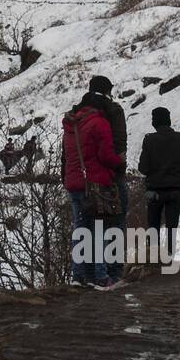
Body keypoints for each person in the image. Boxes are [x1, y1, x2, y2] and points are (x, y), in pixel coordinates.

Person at [62, 92, 125, 288]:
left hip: (74, 183)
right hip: (95, 184)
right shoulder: (99, 122)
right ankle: (100, 275)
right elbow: (106, 154)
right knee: (100, 230)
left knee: (80, 229)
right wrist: (119, 162)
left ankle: (78, 275)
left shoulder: (69, 126)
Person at [138, 107, 180, 260]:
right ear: (168, 120)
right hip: (176, 190)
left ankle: (154, 259)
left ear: (154, 122)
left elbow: (143, 168)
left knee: (153, 226)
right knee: (172, 226)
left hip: (154, 191)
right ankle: (169, 258)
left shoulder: (149, 140)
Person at [87, 75, 129, 281]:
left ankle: (91, 273)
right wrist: (119, 165)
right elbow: (120, 141)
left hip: (86, 176)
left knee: (91, 225)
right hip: (111, 173)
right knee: (117, 220)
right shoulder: (113, 110)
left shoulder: (78, 111)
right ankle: (114, 270)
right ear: (107, 90)